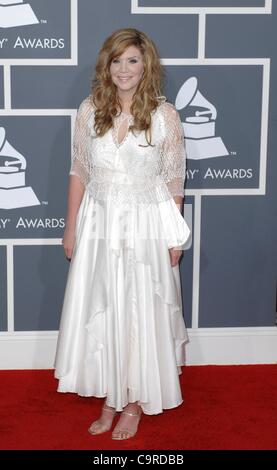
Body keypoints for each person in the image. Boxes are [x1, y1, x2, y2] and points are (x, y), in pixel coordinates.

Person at [54, 27, 190, 441]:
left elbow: (174, 182)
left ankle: (134, 402)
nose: (124, 69)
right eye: (117, 61)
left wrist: (174, 237)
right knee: (105, 306)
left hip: (145, 224)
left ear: (146, 65)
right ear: (106, 65)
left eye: (133, 60)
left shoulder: (165, 116)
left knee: (138, 308)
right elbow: (79, 171)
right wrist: (70, 226)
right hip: (99, 222)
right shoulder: (89, 109)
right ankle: (111, 396)